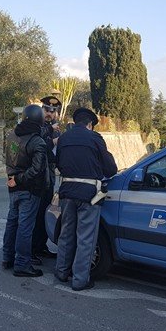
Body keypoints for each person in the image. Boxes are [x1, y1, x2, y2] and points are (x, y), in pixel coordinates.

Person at [54, 108, 118, 291]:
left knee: (66, 233)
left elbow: (59, 164)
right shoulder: (95, 138)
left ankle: (61, 272)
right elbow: (110, 169)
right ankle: (80, 280)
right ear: (90, 124)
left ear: (76, 122)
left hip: (67, 192)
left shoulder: (64, 138)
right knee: (86, 238)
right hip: (89, 195)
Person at [2, 104, 48, 277]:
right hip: (29, 189)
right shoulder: (37, 141)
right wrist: (19, 179)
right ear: (39, 120)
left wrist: (12, 178)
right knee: (25, 227)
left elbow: (8, 160)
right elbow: (37, 170)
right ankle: (22, 264)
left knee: (12, 223)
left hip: (12, 185)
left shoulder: (12, 136)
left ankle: (7, 257)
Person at [31, 95, 62, 261]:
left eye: (53, 111)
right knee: (34, 215)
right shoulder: (37, 126)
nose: (50, 113)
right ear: (42, 110)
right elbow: (39, 149)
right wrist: (53, 141)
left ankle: (41, 246)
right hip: (37, 177)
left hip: (49, 177)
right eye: (47, 110)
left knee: (44, 213)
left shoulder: (56, 129)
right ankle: (31, 250)